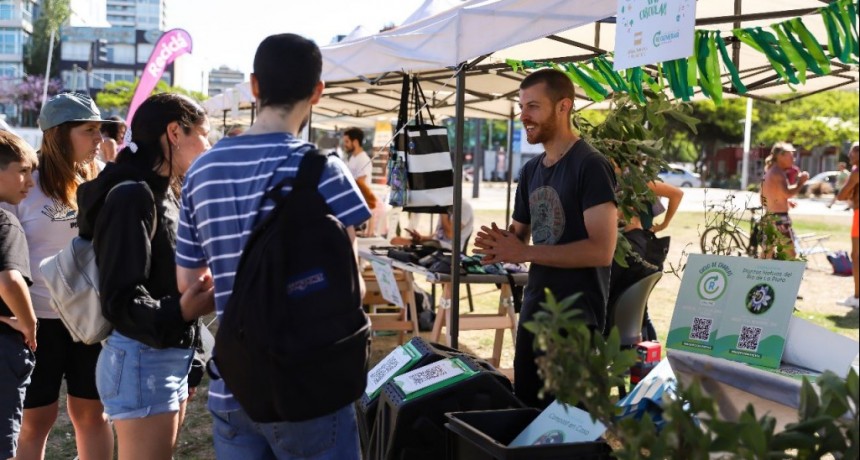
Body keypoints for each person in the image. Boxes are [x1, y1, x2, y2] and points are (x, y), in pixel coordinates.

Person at [175, 34, 370, 458]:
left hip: (237, 386)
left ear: (255, 86)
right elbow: (353, 286)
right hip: (312, 386)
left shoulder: (201, 173)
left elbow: (189, 284)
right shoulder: (328, 172)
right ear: (317, 92)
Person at [76, 93, 214, 460]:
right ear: (174, 132)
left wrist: (192, 356)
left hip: (166, 354)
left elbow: (165, 283)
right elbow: (120, 300)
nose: (209, 144)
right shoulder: (132, 195)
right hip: (142, 359)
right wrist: (183, 311)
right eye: (204, 133)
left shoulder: (165, 190)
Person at [474, 69, 617, 408]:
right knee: (526, 412)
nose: (524, 116)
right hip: (534, 311)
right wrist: (500, 243)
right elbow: (519, 234)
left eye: (534, 106)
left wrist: (522, 250)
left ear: (564, 106)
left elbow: (602, 250)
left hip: (575, 320)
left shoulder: (591, 165)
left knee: (566, 429)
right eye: (522, 106)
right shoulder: (531, 171)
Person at [3, 93, 114, 460]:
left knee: (92, 416)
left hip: (89, 320)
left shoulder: (99, 178)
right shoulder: (23, 182)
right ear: (59, 134)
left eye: (100, 129)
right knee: (36, 420)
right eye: (90, 130)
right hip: (36, 323)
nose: (99, 137)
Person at [0, 131, 38, 460]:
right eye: (22, 170)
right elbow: (10, 282)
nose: (29, 181)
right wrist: (29, 322)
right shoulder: (5, 223)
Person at [609, 180, 683, 342]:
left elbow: (677, 194)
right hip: (639, 245)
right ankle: (649, 356)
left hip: (636, 248)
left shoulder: (636, 181)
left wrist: (664, 224)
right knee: (641, 312)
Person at [760, 142, 809, 259]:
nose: (793, 159)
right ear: (780, 156)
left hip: (769, 217)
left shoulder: (770, 171)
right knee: (790, 254)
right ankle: (787, 277)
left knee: (767, 253)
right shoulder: (778, 173)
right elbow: (787, 193)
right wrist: (801, 182)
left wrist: (782, 202)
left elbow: (763, 197)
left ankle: (760, 277)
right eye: (790, 155)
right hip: (779, 219)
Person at [391, 198, 474, 250]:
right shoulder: (447, 205)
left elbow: (450, 234)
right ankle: (406, 276)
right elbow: (439, 235)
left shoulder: (464, 207)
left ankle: (404, 274)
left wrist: (442, 210)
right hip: (436, 243)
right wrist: (421, 238)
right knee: (395, 240)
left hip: (448, 248)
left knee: (403, 245)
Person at [835, 142, 859, 309]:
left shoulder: (856, 172)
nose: (849, 156)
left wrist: (849, 192)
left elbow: (841, 195)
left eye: (852, 153)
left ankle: (857, 297)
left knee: (856, 255)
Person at [343, 126, 377, 214]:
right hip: (353, 202)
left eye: (347, 141)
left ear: (355, 142)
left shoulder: (363, 159)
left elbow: (360, 182)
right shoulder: (353, 158)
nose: (345, 144)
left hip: (360, 204)